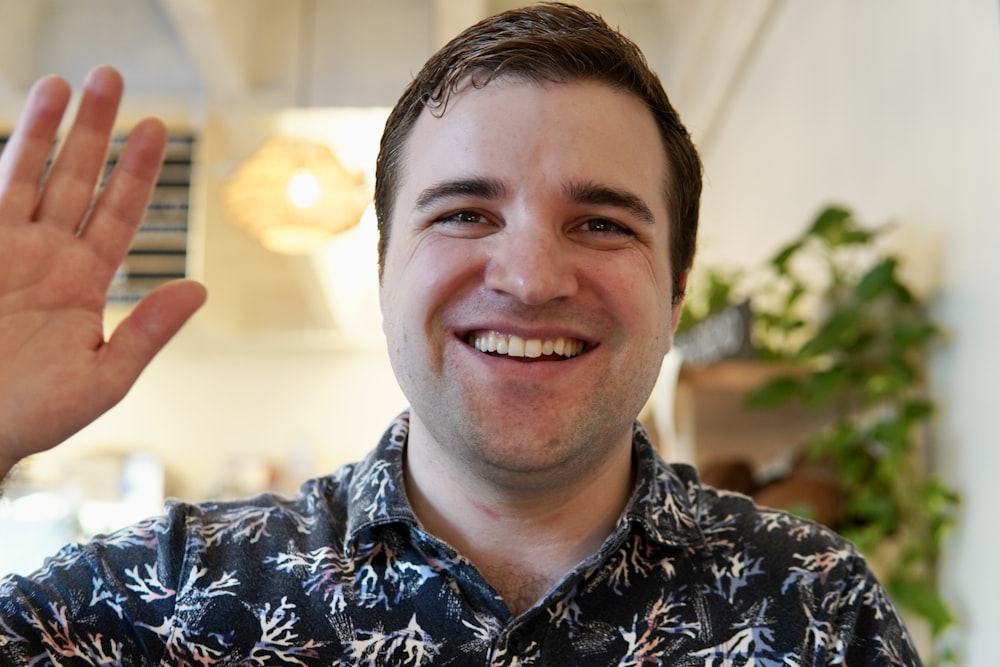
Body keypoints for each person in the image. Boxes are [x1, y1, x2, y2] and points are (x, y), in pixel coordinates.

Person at [0, 3, 920, 665]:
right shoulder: (157, 598)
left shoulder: (815, 605)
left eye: (603, 223)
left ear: (676, 293)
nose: (529, 278)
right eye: (466, 213)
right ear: (384, 269)